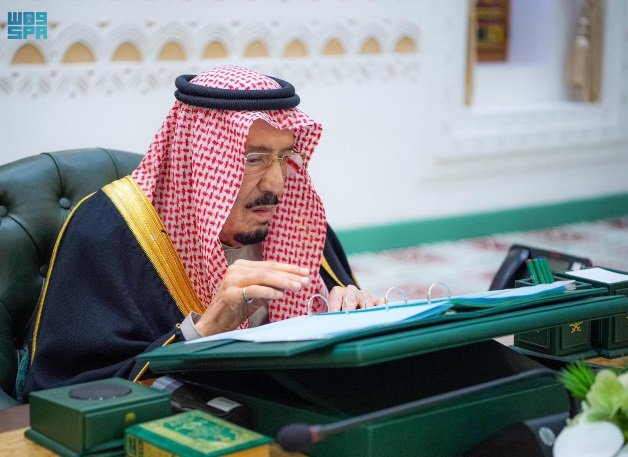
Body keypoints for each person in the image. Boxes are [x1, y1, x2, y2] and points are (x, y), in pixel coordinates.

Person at [25, 66, 382, 395]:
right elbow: (67, 391)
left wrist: (355, 316)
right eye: (253, 159)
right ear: (202, 162)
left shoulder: (299, 222)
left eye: (284, 157)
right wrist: (204, 330)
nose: (276, 183)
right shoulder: (109, 231)